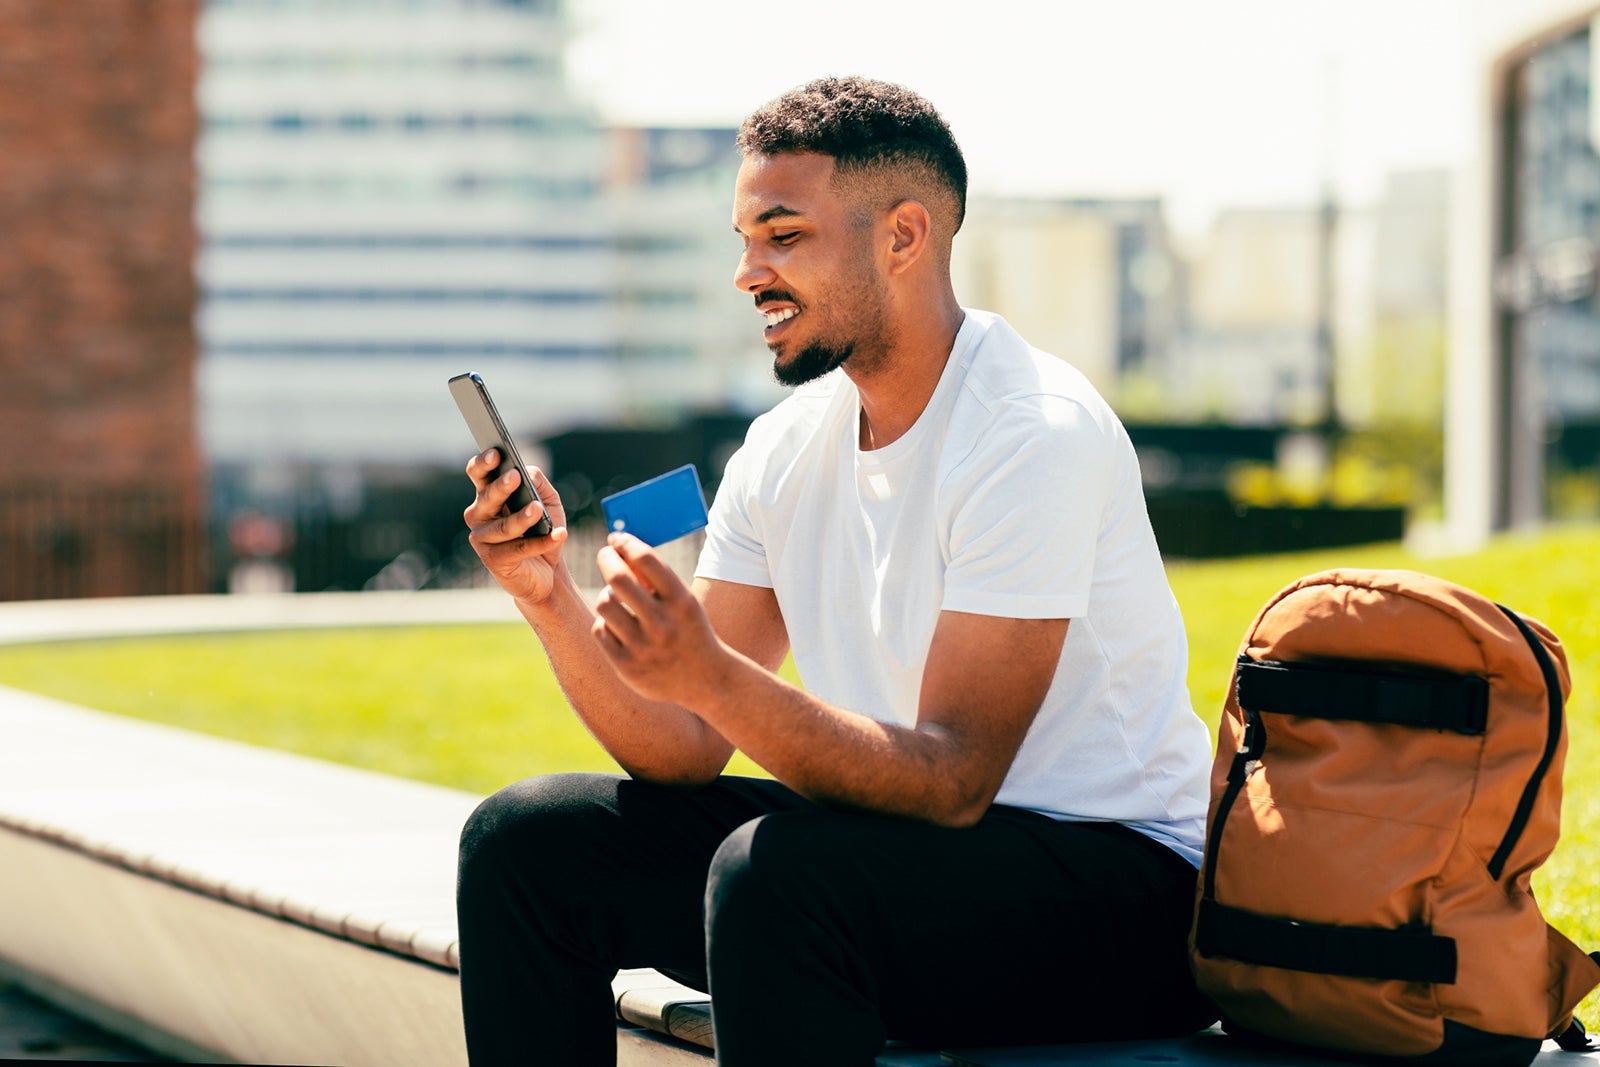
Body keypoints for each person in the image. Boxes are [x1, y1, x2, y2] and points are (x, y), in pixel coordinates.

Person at [455, 76, 1217, 1067]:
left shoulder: (1030, 432)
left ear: (902, 237)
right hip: (903, 856)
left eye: (782, 235)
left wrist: (714, 673)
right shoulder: (781, 448)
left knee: (776, 877)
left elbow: (951, 777)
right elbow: (684, 746)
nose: (747, 273)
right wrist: (549, 598)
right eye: (743, 239)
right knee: (528, 842)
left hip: (1124, 898)